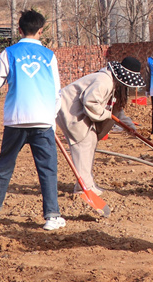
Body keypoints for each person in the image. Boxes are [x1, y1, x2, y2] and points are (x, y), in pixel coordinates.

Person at [0, 10, 65, 231]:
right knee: (47, 169)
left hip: (15, 119)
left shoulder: (9, 53)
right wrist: (51, 118)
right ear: (41, 31)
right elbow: (57, 92)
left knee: (5, 165)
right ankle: (51, 216)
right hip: (43, 120)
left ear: (19, 29)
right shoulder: (49, 56)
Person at [57, 56, 145, 195]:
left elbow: (117, 110)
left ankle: (88, 183)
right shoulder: (104, 81)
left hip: (79, 109)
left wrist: (129, 126)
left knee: (90, 141)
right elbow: (90, 102)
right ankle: (82, 188)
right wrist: (107, 115)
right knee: (83, 143)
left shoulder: (114, 84)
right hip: (69, 108)